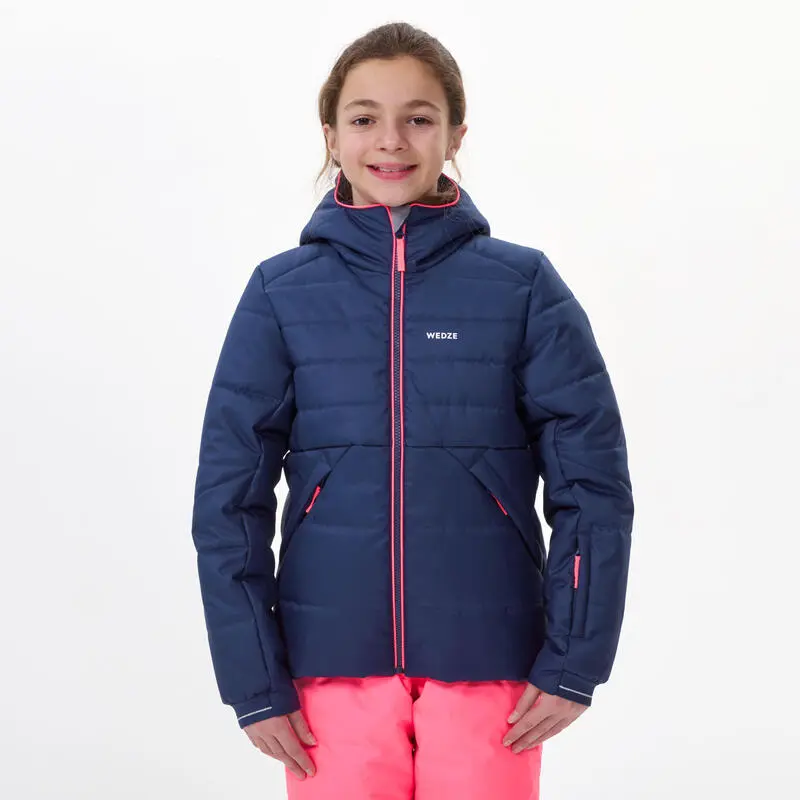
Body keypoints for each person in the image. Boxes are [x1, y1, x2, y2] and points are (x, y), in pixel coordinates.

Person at [190, 21, 634, 800]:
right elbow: (227, 500)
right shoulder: (281, 293)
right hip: (329, 663)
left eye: (419, 117)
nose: (391, 140)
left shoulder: (523, 288)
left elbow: (593, 489)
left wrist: (574, 662)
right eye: (364, 118)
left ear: (456, 133)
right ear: (330, 134)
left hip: (490, 661)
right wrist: (253, 678)